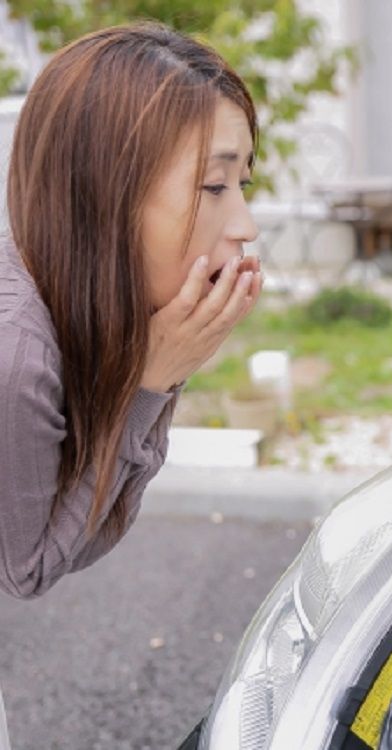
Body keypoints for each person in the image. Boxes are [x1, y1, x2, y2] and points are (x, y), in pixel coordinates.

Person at [0, 21, 263, 745]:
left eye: (242, 183)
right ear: (102, 195)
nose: (243, 223)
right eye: (213, 185)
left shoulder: (40, 281)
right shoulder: (17, 357)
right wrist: (152, 381)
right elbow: (31, 565)